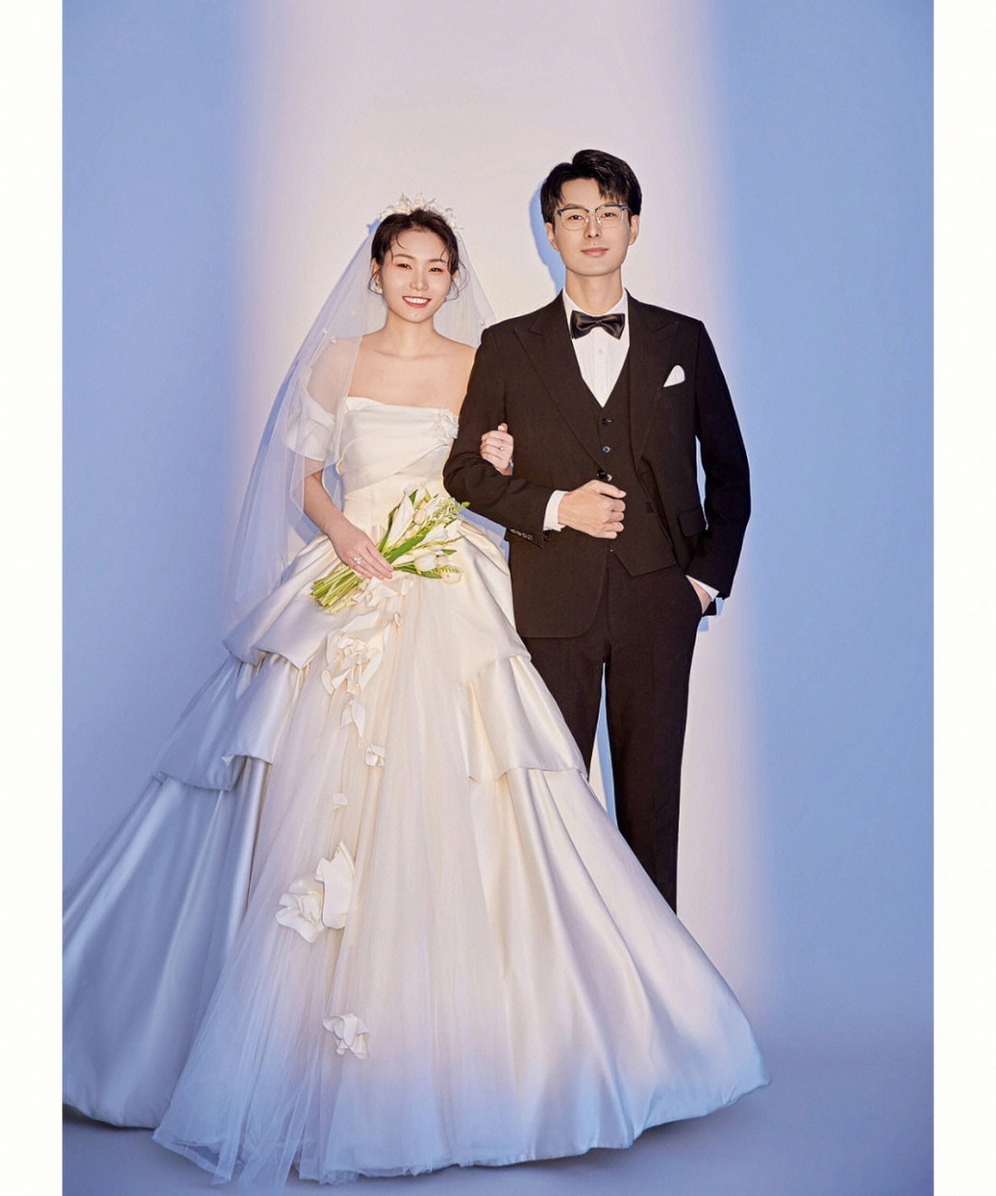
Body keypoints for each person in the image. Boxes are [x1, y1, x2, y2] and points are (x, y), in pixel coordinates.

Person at [64, 202, 766, 1187]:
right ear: (378, 270)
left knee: (469, 791)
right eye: (406, 264)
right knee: (299, 790)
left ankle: (506, 1048)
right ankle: (264, 1040)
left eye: (438, 267)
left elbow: (490, 468)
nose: (422, 282)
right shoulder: (334, 363)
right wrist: (345, 534)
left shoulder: (481, 362)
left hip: (445, 576)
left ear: (451, 277)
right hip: (353, 570)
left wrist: (503, 464)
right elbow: (302, 475)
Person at [444, 150, 751, 913]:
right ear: (550, 231)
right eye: (574, 215)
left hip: (659, 599)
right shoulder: (508, 345)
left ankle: (656, 979)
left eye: (608, 213)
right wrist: (556, 506)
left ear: (634, 227)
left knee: (652, 806)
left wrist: (700, 584)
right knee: (550, 804)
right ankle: (555, 975)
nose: (592, 229)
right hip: (548, 599)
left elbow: (731, 473)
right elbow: (464, 473)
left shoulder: (683, 339)